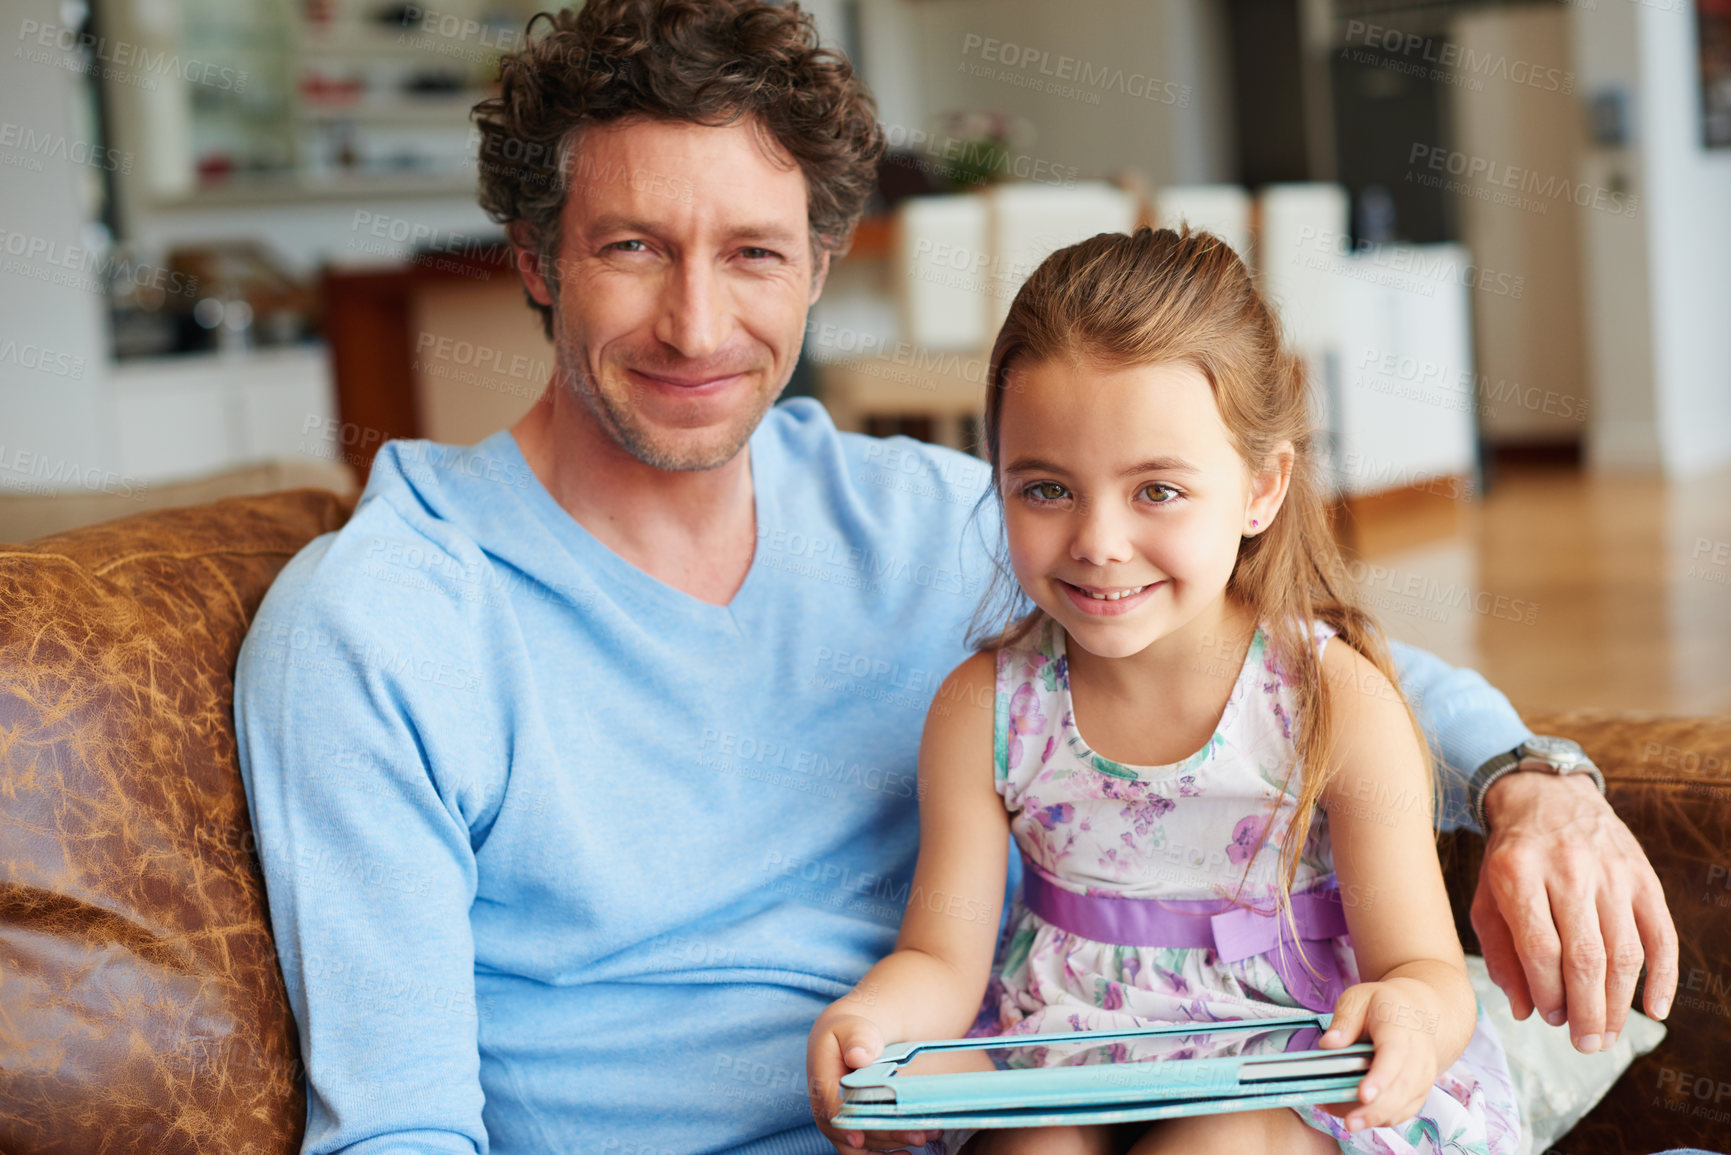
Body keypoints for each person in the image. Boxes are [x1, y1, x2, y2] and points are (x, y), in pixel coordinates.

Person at [232, 3, 1676, 1152]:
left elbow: (1278, 671)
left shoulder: (929, 520)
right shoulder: (379, 627)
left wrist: (1530, 781)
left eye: (751, 252)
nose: (695, 320)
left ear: (816, 266)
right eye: (629, 248)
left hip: (1006, 1114)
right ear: (533, 257)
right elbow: (398, 1125)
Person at [807, 228, 1521, 1155]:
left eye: (1156, 491)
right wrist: (870, 1021)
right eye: (1046, 489)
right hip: (1064, 1053)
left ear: (1260, 488)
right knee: (1033, 1149)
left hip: (1283, 1065)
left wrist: (1411, 1013)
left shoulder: (1333, 701)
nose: (1098, 540)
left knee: (1213, 1143)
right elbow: (941, 958)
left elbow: (1422, 965)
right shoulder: (983, 709)